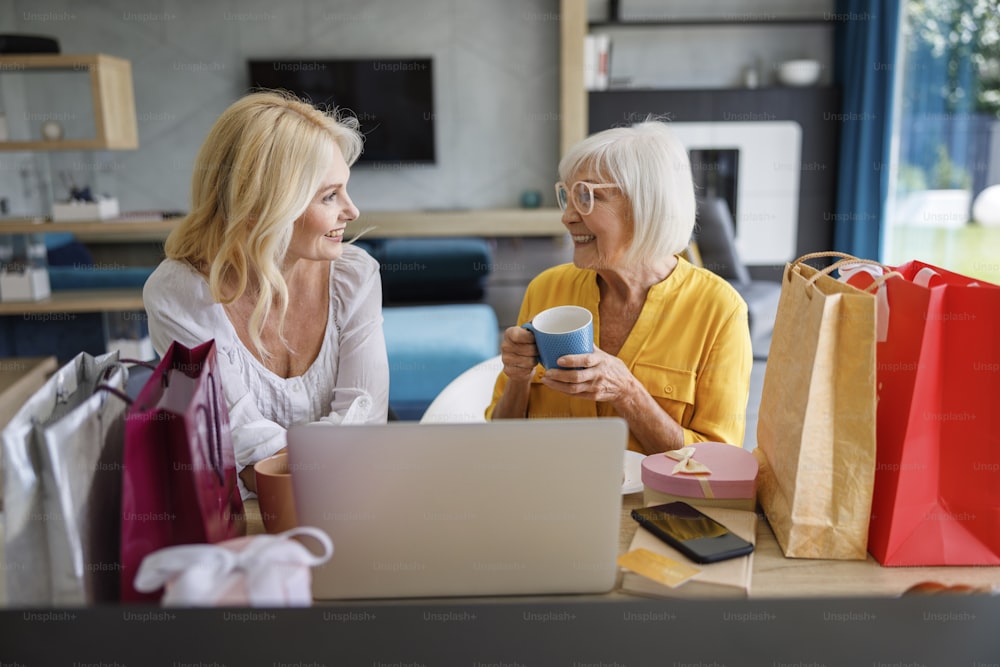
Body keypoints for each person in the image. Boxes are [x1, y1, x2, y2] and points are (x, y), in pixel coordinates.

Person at [144, 91, 390, 496]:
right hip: (245, 520)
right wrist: (334, 456)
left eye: (345, 189)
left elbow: (364, 425)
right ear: (262, 204)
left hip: (346, 504)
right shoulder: (179, 294)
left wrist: (300, 463)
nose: (352, 211)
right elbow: (240, 447)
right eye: (329, 195)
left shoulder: (354, 275)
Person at [486, 121, 752, 453]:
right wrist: (518, 377)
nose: (567, 216)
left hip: (652, 504)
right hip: (547, 494)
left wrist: (627, 392)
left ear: (646, 205)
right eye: (567, 196)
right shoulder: (546, 290)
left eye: (586, 196)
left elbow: (718, 466)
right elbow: (498, 443)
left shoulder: (719, 311)